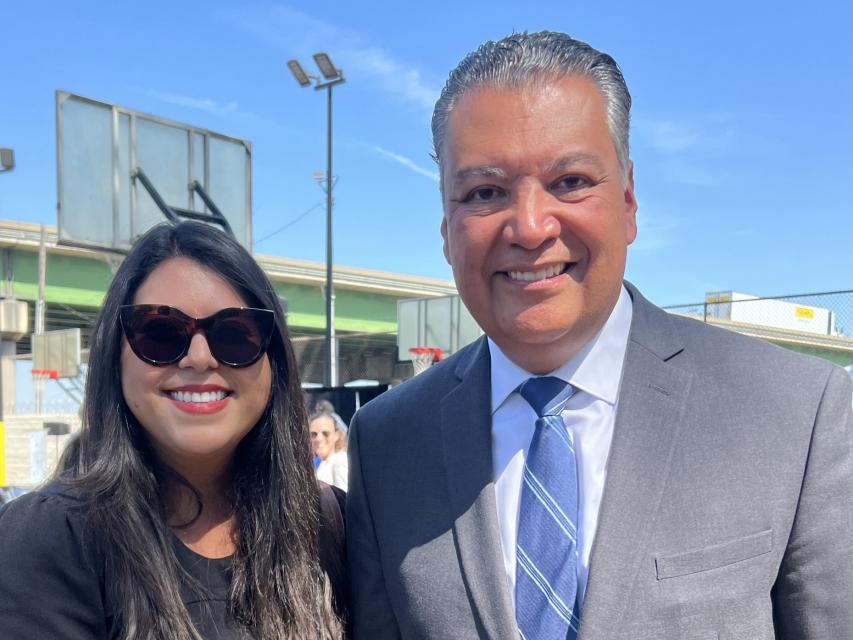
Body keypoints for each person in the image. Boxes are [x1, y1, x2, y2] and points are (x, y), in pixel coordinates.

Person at [346, 31, 853, 639]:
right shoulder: (387, 442)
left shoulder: (796, 413)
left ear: (629, 201)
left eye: (569, 181)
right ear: (446, 229)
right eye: (485, 193)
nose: (530, 227)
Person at [0, 221, 347, 639]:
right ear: (114, 357)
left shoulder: (331, 525)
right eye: (161, 333)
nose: (199, 357)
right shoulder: (50, 537)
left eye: (234, 335)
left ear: (274, 362)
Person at [310, 407, 349, 492]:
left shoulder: (340, 460)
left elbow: (345, 497)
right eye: (313, 434)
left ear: (336, 435)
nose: (319, 439)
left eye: (325, 433)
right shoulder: (320, 463)